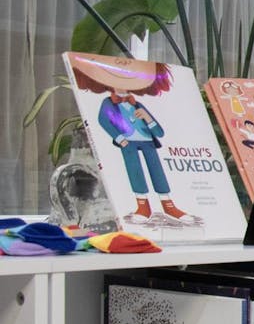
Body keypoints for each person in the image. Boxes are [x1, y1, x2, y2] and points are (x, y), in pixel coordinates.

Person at [69, 54, 202, 226]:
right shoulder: (108, 103)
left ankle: (169, 205)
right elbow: (103, 121)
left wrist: (147, 118)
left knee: (157, 170)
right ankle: (143, 206)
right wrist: (119, 137)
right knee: (134, 170)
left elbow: (159, 132)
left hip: (147, 140)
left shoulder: (137, 104)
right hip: (128, 142)